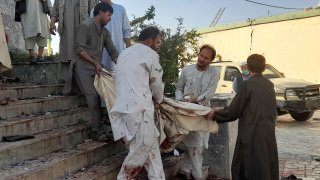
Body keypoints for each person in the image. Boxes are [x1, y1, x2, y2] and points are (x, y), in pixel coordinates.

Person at [207, 54, 279, 180]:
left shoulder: (247, 85)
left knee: (249, 165)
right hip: (267, 131)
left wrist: (216, 113)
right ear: (264, 67)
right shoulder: (269, 84)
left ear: (248, 66)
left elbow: (233, 111)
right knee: (265, 162)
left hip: (251, 132)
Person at [110, 26, 165, 180]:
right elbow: (156, 82)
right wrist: (159, 99)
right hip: (139, 110)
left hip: (123, 109)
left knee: (152, 151)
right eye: (157, 42)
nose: (158, 45)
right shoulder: (150, 54)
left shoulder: (124, 54)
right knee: (139, 151)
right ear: (150, 40)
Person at [65, 2, 118, 141]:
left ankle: (110, 123)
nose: (110, 18)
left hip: (97, 66)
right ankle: (96, 131)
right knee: (93, 96)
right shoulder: (85, 26)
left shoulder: (105, 32)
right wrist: (95, 62)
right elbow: (79, 50)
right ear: (100, 13)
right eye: (109, 15)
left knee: (113, 89)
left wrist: (123, 65)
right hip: (82, 66)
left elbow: (113, 51)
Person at [175, 44, 219, 179]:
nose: (201, 59)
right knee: (194, 145)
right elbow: (178, 88)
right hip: (186, 112)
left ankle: (185, 170)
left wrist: (196, 101)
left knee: (199, 145)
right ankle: (197, 175)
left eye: (206, 58)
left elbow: (210, 93)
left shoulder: (214, 73)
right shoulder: (187, 70)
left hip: (203, 112)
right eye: (200, 55)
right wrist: (180, 101)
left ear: (211, 60)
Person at [50, 0, 93, 79]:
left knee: (82, 53)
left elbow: (92, 12)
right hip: (66, 31)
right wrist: (52, 24)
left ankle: (82, 79)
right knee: (66, 55)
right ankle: (66, 80)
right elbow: (54, 12)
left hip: (82, 31)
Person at [97, 0, 131, 72]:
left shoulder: (120, 9)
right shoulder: (94, 11)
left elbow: (126, 31)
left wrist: (129, 54)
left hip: (118, 54)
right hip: (100, 57)